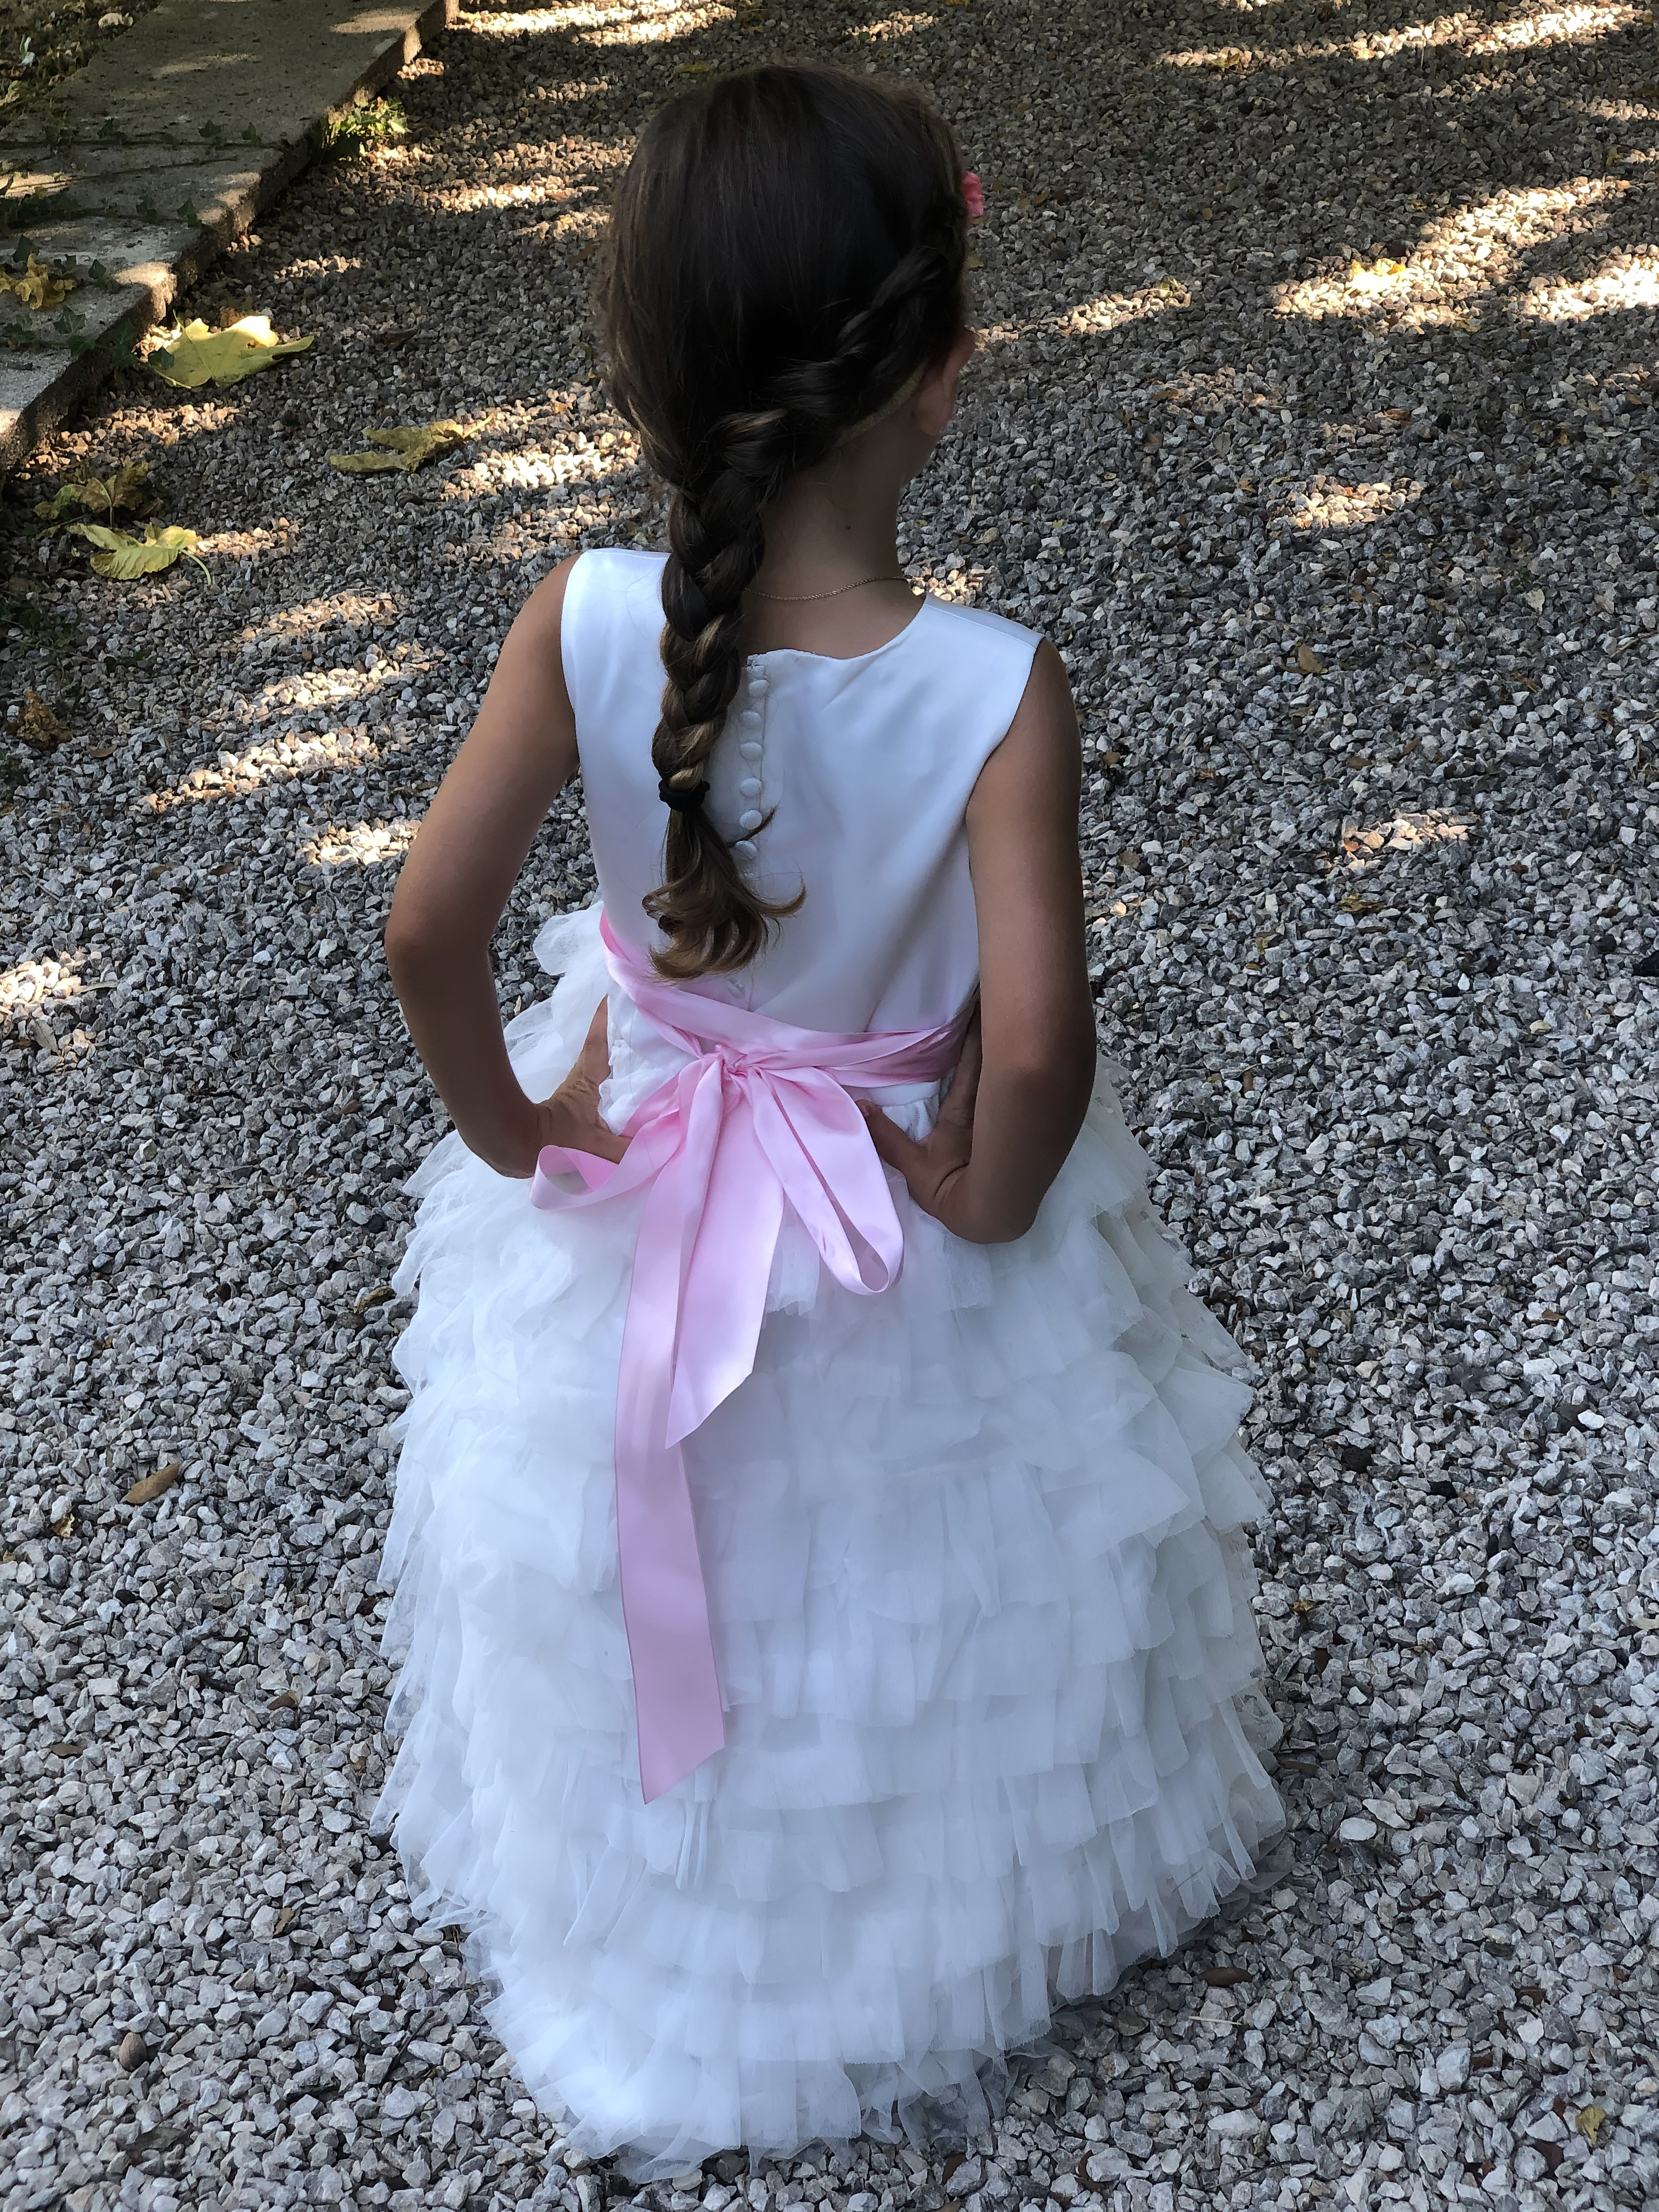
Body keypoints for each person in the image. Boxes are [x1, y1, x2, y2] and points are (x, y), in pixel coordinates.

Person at [376, 63, 1282, 2181]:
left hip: (648, 1169)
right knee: (919, 1579)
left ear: (643, 367)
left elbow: (427, 927)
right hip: (883, 1209)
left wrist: (520, 1134)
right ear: (941, 375)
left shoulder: (588, 620)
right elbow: (1033, 1048)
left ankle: (671, 1929)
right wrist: (983, 1198)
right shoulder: (994, 688)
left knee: (644, 1548)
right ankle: (922, 1935)